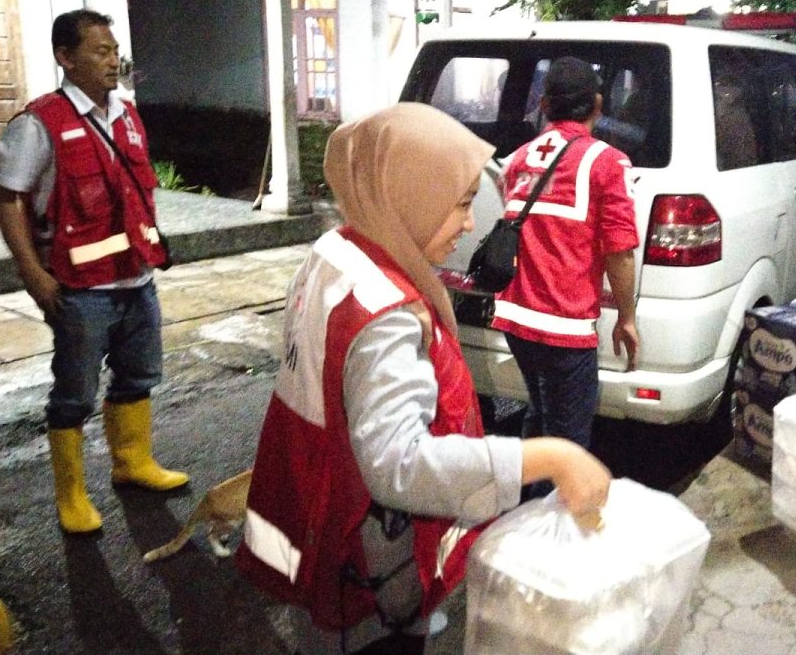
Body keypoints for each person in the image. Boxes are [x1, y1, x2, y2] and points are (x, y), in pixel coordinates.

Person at [236, 103, 612, 655]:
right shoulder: (387, 314)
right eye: (459, 204)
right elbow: (399, 465)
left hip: (331, 527)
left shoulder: (337, 252)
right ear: (406, 197)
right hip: (367, 576)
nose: (468, 222)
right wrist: (553, 457)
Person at [0, 10, 187, 534]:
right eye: (100, 51)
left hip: (136, 279)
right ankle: (72, 494)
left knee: (139, 375)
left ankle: (132, 463)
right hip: (80, 290)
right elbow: (8, 199)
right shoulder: (39, 124)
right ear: (65, 57)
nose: (112, 60)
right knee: (74, 392)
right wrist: (33, 275)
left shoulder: (125, 114)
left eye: (113, 49)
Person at [491, 57, 640, 487]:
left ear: (544, 103)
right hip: (563, 325)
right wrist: (627, 318)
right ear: (597, 104)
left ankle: (521, 515)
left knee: (540, 414)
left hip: (515, 317)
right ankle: (544, 533)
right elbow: (620, 250)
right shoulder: (607, 162)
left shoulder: (518, 158)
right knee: (569, 445)